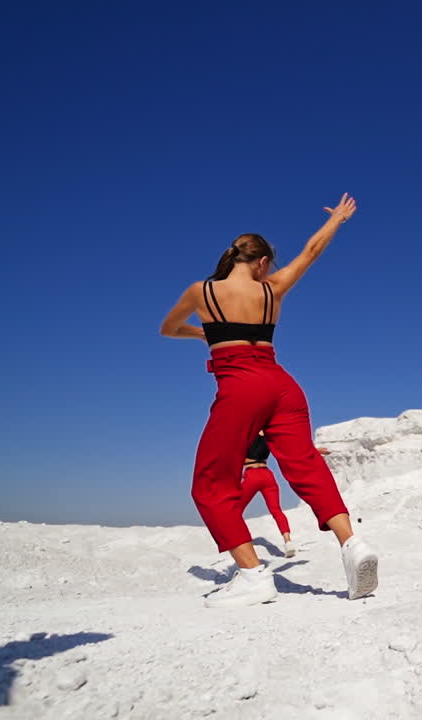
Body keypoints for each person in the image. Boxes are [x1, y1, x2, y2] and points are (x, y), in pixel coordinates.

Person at [160, 193, 379, 607]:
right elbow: (311, 251)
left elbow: (169, 329)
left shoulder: (201, 292)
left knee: (210, 483)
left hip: (241, 386)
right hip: (283, 384)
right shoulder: (272, 288)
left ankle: (252, 575)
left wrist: (207, 333)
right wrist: (337, 220)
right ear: (262, 263)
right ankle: (353, 545)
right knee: (306, 466)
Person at [242, 431, 297, 558]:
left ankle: (241, 541)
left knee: (236, 509)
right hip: (267, 475)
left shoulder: (247, 434)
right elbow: (292, 449)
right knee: (276, 510)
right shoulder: (269, 436)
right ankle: (288, 542)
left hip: (252, 475)